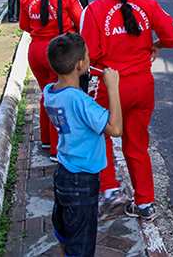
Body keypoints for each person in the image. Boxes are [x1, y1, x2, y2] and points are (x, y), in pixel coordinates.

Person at [80, 0, 173, 221]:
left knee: (98, 135)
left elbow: (90, 54)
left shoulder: (94, 11)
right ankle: (145, 203)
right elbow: (172, 35)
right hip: (143, 86)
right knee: (137, 144)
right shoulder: (147, 3)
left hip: (110, 86)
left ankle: (110, 190)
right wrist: (157, 44)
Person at [45, 32, 122, 257]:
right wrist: (113, 87)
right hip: (82, 181)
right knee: (81, 246)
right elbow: (115, 129)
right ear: (80, 64)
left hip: (63, 173)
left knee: (63, 230)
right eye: (88, 55)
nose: (90, 58)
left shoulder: (50, 91)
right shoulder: (80, 102)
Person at [20, 0, 84, 160]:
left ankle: (46, 140)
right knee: (61, 99)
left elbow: (24, 26)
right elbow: (82, 23)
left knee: (47, 95)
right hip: (59, 51)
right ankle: (58, 149)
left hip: (36, 51)